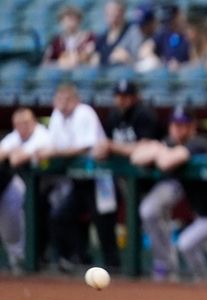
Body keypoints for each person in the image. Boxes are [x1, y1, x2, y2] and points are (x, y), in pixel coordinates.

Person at [131, 106, 207, 282]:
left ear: (192, 127)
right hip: (204, 216)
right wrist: (158, 147)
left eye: (183, 125)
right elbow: (136, 157)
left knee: (187, 244)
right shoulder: (170, 144)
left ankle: (203, 283)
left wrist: (157, 149)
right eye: (175, 124)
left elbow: (165, 162)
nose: (178, 128)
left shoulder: (199, 143)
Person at [38, 84, 120, 272]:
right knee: (60, 216)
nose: (62, 104)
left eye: (67, 99)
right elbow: (52, 145)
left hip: (100, 179)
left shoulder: (85, 112)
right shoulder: (57, 116)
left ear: (76, 100)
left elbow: (84, 146)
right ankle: (81, 258)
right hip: (78, 181)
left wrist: (56, 153)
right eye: (59, 99)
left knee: (104, 223)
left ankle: (114, 266)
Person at [0, 108, 52, 271]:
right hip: (30, 188)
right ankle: (19, 259)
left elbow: (16, 159)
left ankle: (37, 259)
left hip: (54, 186)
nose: (21, 127)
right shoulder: (14, 136)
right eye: (18, 124)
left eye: (25, 123)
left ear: (34, 122)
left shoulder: (42, 134)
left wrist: (12, 153)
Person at [93, 79, 162, 161]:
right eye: (118, 96)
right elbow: (108, 140)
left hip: (144, 166)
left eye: (126, 96)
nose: (121, 99)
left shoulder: (144, 113)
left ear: (135, 97)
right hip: (119, 165)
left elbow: (145, 147)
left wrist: (113, 147)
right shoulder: (113, 114)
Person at [93, 0, 130, 66]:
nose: (110, 14)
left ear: (122, 12)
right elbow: (96, 58)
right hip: (105, 72)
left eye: (113, 10)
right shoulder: (102, 37)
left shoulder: (130, 31)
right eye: (108, 11)